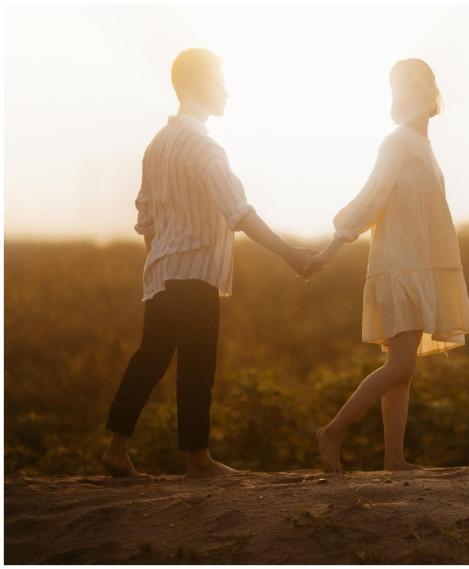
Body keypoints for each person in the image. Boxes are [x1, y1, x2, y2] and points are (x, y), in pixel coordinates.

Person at [102, 48, 319, 478]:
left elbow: (146, 219)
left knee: (150, 358)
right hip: (196, 271)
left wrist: (161, 262)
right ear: (199, 84)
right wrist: (290, 253)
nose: (226, 91)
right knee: (197, 365)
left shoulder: (158, 145)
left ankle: (116, 449)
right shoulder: (203, 146)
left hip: (162, 271)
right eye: (220, 82)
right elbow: (239, 212)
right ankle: (198, 460)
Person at [310, 58, 469, 473]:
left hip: (420, 265)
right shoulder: (398, 141)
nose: (417, 91)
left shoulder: (423, 146)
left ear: (433, 90)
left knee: (401, 370)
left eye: (424, 83)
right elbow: (371, 198)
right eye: (406, 86)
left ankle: (394, 458)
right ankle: (332, 432)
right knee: (402, 365)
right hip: (399, 266)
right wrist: (333, 247)